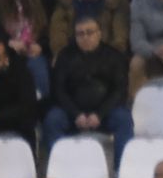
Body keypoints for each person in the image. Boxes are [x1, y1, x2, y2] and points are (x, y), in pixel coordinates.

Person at [43, 14, 135, 161]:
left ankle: (122, 168)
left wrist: (99, 114)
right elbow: (58, 90)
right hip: (72, 114)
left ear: (99, 33)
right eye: (80, 34)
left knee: (123, 118)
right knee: (53, 119)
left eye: (89, 32)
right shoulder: (65, 56)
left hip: (105, 114)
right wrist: (76, 114)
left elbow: (119, 90)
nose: (85, 37)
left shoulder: (114, 56)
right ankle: (58, 166)